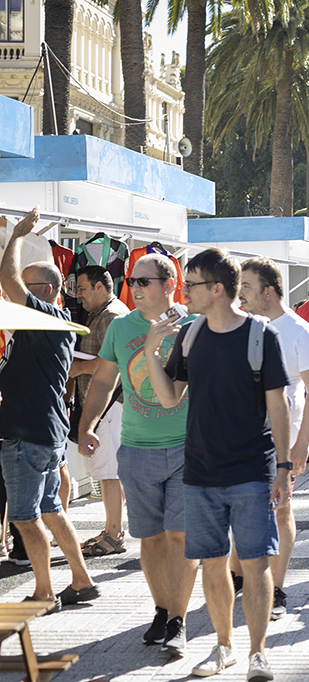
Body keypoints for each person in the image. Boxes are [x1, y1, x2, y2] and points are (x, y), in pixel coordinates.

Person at [146, 248, 291, 681]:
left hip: (250, 469)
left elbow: (278, 405)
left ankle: (258, 652)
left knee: (255, 563)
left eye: (190, 284)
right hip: (201, 472)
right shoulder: (190, 336)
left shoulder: (261, 336)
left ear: (217, 289)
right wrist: (153, 352)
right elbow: (170, 397)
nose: (183, 292)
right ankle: (223, 646)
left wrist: (283, 467)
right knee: (212, 562)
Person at [79, 252, 198, 654]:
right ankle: (162, 610)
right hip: (137, 449)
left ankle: (179, 620)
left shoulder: (194, 325)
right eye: (131, 281)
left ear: (169, 285)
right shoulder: (121, 327)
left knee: (181, 536)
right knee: (151, 538)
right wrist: (87, 425)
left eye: (143, 281)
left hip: (188, 448)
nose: (135, 288)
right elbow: (102, 383)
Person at [0, 207, 98, 609]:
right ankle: (81, 579)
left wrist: (18, 235)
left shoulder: (43, 318)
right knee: (51, 510)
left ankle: (44, 591)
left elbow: (7, 277)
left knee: (25, 517)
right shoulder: (47, 326)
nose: (11, 293)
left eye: (23, 288)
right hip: (43, 431)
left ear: (43, 291)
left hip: (28, 435)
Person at [237, 258, 309, 620]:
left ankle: (275, 587)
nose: (239, 293)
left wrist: (302, 444)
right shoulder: (241, 327)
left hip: (282, 440)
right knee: (239, 510)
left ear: (268, 292)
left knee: (280, 510)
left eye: (246, 286)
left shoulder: (300, 332)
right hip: (240, 440)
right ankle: (239, 579)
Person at [71, 265, 130, 557]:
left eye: (81, 289)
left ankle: (114, 534)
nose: (77, 295)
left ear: (100, 287)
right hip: (105, 407)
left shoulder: (111, 315)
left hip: (109, 406)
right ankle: (112, 530)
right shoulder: (103, 314)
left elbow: (113, 361)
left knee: (109, 474)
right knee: (108, 473)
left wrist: (76, 368)